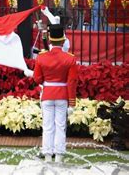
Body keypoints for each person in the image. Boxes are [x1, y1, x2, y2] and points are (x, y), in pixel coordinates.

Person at [29, 24, 78, 163]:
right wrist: (72, 103)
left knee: (48, 126)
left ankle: (48, 155)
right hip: (62, 95)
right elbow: (72, 82)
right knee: (60, 126)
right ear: (63, 40)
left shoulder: (42, 57)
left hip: (48, 94)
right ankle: (59, 156)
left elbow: (37, 78)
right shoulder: (70, 58)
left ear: (49, 40)